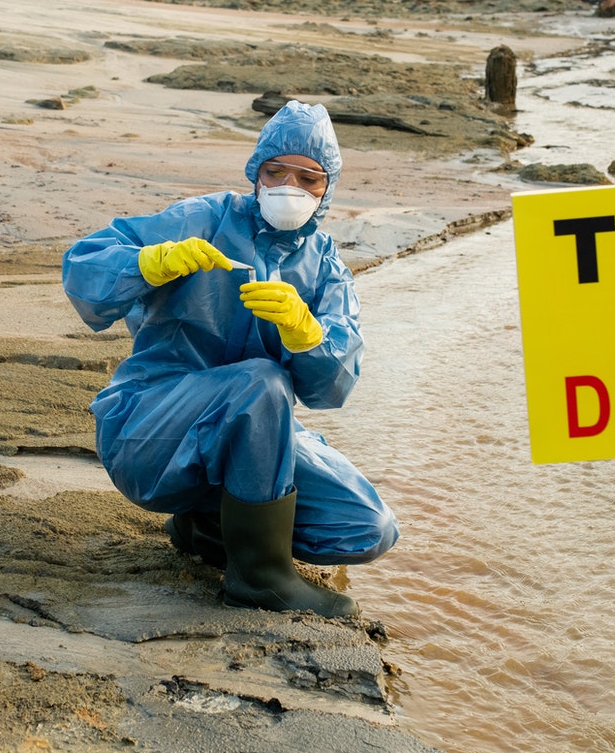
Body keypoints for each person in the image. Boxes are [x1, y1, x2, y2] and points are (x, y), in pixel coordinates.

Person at [61, 101, 397, 617]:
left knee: (366, 527)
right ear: (255, 172)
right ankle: (259, 578)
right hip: (150, 428)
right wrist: (146, 263)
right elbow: (83, 270)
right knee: (260, 382)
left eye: (309, 178)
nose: (291, 187)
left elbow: (334, 387)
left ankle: (207, 527)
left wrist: (306, 333)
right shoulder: (202, 219)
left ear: (326, 189)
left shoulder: (326, 268)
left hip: (253, 443)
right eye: (276, 172)